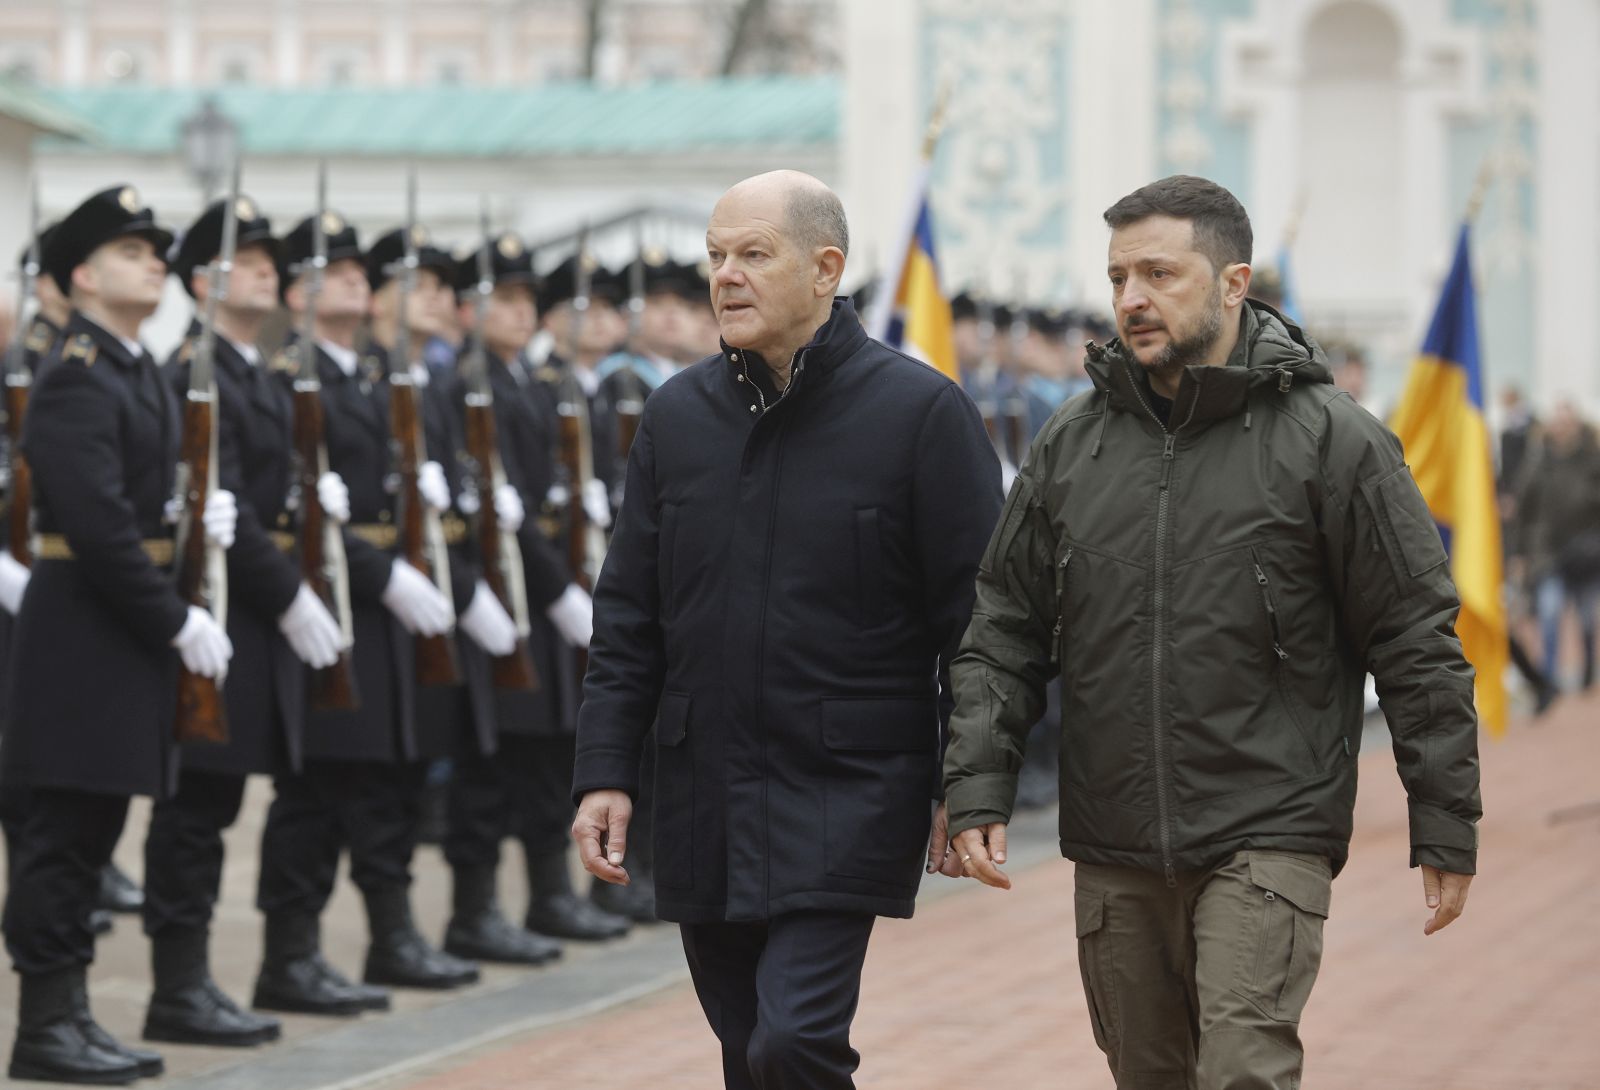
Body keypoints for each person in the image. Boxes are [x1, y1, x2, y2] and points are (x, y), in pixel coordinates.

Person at [942, 175, 1483, 1090]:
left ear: (1234, 284)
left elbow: (1415, 636)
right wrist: (978, 784)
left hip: (1267, 830)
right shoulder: (1072, 444)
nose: (1131, 300)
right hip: (1113, 842)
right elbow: (1004, 625)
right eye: (1117, 277)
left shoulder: (1334, 440)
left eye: (1159, 273)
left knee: (1240, 1071)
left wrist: (1446, 820)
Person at [571, 170, 1001, 1090]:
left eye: (753, 255)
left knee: (793, 1042)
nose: (725, 275)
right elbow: (630, 615)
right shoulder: (677, 417)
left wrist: (968, 780)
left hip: (849, 787)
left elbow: (977, 626)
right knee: (746, 1054)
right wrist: (605, 770)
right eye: (716, 256)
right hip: (703, 788)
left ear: (825, 268)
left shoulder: (921, 415)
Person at [1, 185, 238, 1084]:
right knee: (63, 839)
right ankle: (45, 1025)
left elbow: (142, 504)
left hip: (117, 636)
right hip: (81, 639)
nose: (153, 262)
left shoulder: (135, 368)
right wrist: (175, 615)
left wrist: (196, 528)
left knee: (94, 832)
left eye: (154, 251)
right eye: (131, 251)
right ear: (83, 275)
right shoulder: (75, 374)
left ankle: (73, 1015)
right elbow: (96, 525)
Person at [251, 210, 476, 1018]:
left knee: (392, 777)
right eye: (331, 268)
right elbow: (298, 509)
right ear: (298, 289)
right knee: (318, 788)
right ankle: (288, 955)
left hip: (391, 600)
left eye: (356, 268)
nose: (352, 277)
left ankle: (392, 934)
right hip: (333, 595)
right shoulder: (288, 372)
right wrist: (380, 572)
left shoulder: (378, 371)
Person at [141, 195, 339, 1048]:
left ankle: (202, 983)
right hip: (223, 610)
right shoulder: (197, 368)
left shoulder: (248, 367)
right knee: (195, 807)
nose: (268, 269)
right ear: (201, 280)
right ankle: (178, 987)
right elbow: (227, 507)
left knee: (215, 807)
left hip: (251, 612)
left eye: (270, 259)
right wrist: (290, 592)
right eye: (246, 258)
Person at [455, 239, 626, 945]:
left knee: (548, 751)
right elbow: (498, 506)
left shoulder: (528, 381)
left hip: (545, 582)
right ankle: (477, 911)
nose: (521, 314)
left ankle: (550, 895)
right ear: (471, 309)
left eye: (529, 302)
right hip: (512, 592)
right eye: (506, 300)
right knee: (498, 761)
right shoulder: (473, 382)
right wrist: (556, 589)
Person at [1514, 401, 1600, 693]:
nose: (1562, 429)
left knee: (1587, 619)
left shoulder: (1592, 460)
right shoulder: (1538, 462)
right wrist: (1520, 553)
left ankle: (1588, 670)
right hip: (1548, 553)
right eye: (1558, 423)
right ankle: (1549, 680)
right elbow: (1522, 507)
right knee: (1549, 613)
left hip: (1587, 553)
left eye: (1567, 423)